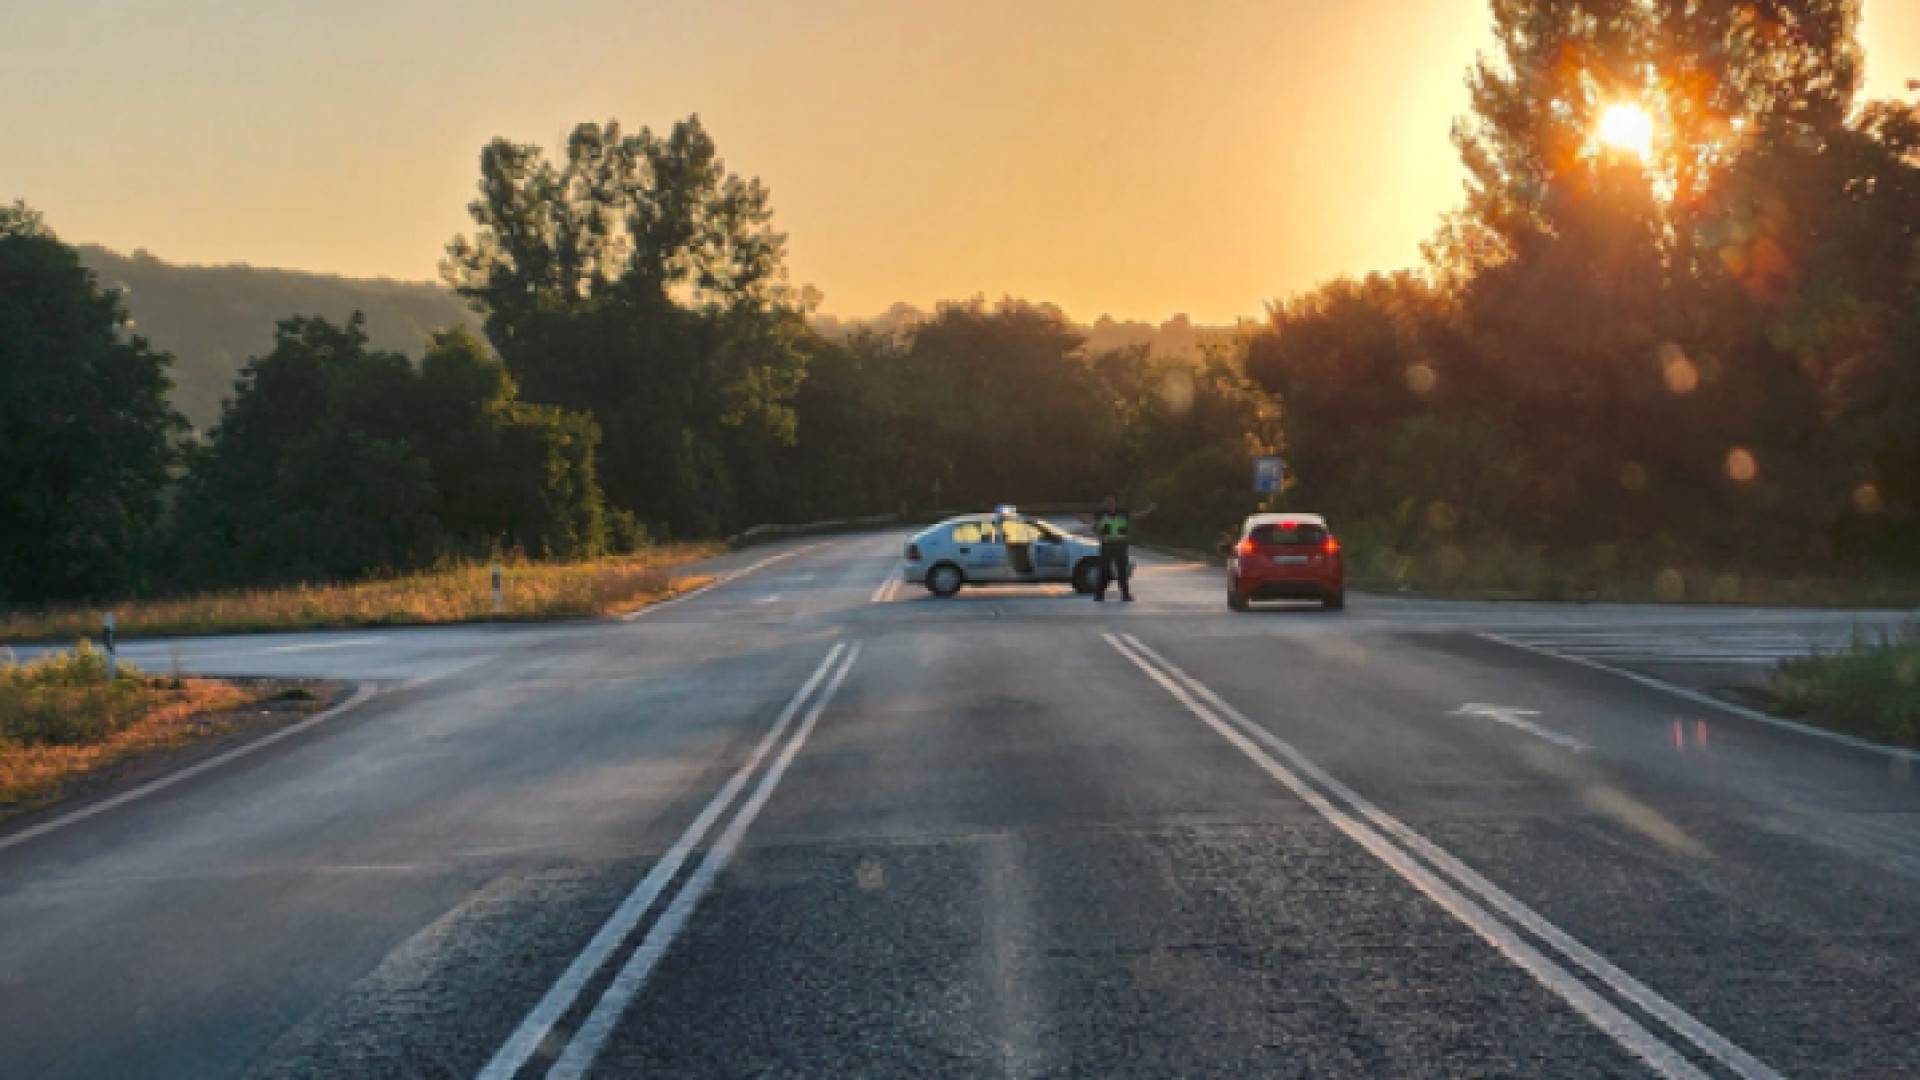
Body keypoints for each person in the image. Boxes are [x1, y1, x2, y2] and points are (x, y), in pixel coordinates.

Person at [1092, 494, 1155, 602]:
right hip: (1107, 545)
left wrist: (1149, 510)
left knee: (1122, 571)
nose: (1109, 504)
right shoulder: (1100, 514)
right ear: (1104, 503)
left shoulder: (1123, 513)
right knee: (1105, 570)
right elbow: (1089, 522)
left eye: (1111, 502)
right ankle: (1099, 594)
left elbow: (1137, 515)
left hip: (1120, 545)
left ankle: (1125, 594)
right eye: (1107, 502)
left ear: (1116, 503)